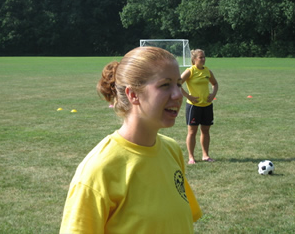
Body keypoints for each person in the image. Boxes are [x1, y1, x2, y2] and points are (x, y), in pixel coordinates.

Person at [60, 47, 202, 234]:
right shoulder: (99, 170)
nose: (177, 95)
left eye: (178, 84)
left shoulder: (172, 150)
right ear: (133, 94)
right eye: (165, 85)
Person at [181, 49, 218, 165]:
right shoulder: (190, 71)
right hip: (194, 106)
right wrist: (188, 96)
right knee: (192, 132)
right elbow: (177, 84)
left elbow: (215, 84)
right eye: (200, 57)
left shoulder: (207, 71)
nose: (203, 59)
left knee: (205, 131)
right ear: (194, 59)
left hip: (207, 106)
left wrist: (212, 95)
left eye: (204, 57)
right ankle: (191, 157)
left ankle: (205, 155)